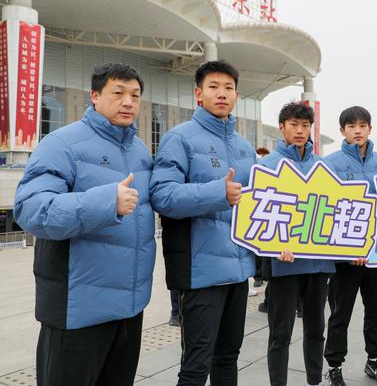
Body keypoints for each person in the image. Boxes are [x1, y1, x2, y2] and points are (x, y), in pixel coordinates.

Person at [14, 62, 156, 386]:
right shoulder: (62, 144)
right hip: (77, 311)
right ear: (94, 96)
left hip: (129, 310)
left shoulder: (140, 151)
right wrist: (107, 202)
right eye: (118, 93)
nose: (128, 102)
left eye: (135, 95)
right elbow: (30, 209)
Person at [150, 60, 256, 386]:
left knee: (228, 358)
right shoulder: (179, 138)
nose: (222, 93)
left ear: (236, 95)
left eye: (228, 88)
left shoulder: (244, 147)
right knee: (196, 366)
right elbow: (162, 196)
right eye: (213, 87)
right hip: (200, 273)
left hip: (238, 271)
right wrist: (217, 193)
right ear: (198, 93)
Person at [259, 102, 335, 386]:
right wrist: (272, 245)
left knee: (316, 329)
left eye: (305, 126)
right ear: (282, 127)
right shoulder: (266, 165)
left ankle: (314, 380)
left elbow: (335, 210)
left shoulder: (323, 166)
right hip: (284, 264)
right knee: (280, 333)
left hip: (318, 263)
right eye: (294, 125)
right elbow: (258, 215)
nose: (300, 131)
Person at [323, 106, 377, 386]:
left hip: (376, 255)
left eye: (362, 125)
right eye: (351, 126)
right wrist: (348, 250)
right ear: (342, 130)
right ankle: (334, 366)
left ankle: (375, 360)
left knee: (376, 309)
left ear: (370, 129)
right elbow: (324, 209)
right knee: (340, 313)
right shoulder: (330, 163)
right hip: (345, 258)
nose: (357, 130)